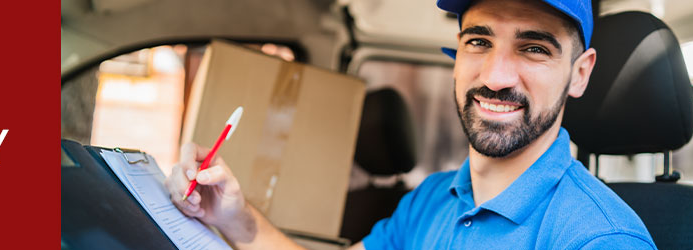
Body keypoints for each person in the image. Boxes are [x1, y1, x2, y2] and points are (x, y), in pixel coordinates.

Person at [164, 0, 657, 249]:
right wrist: (232, 216)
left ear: (581, 73)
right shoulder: (431, 199)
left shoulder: (599, 238)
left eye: (534, 48)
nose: (495, 76)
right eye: (479, 42)